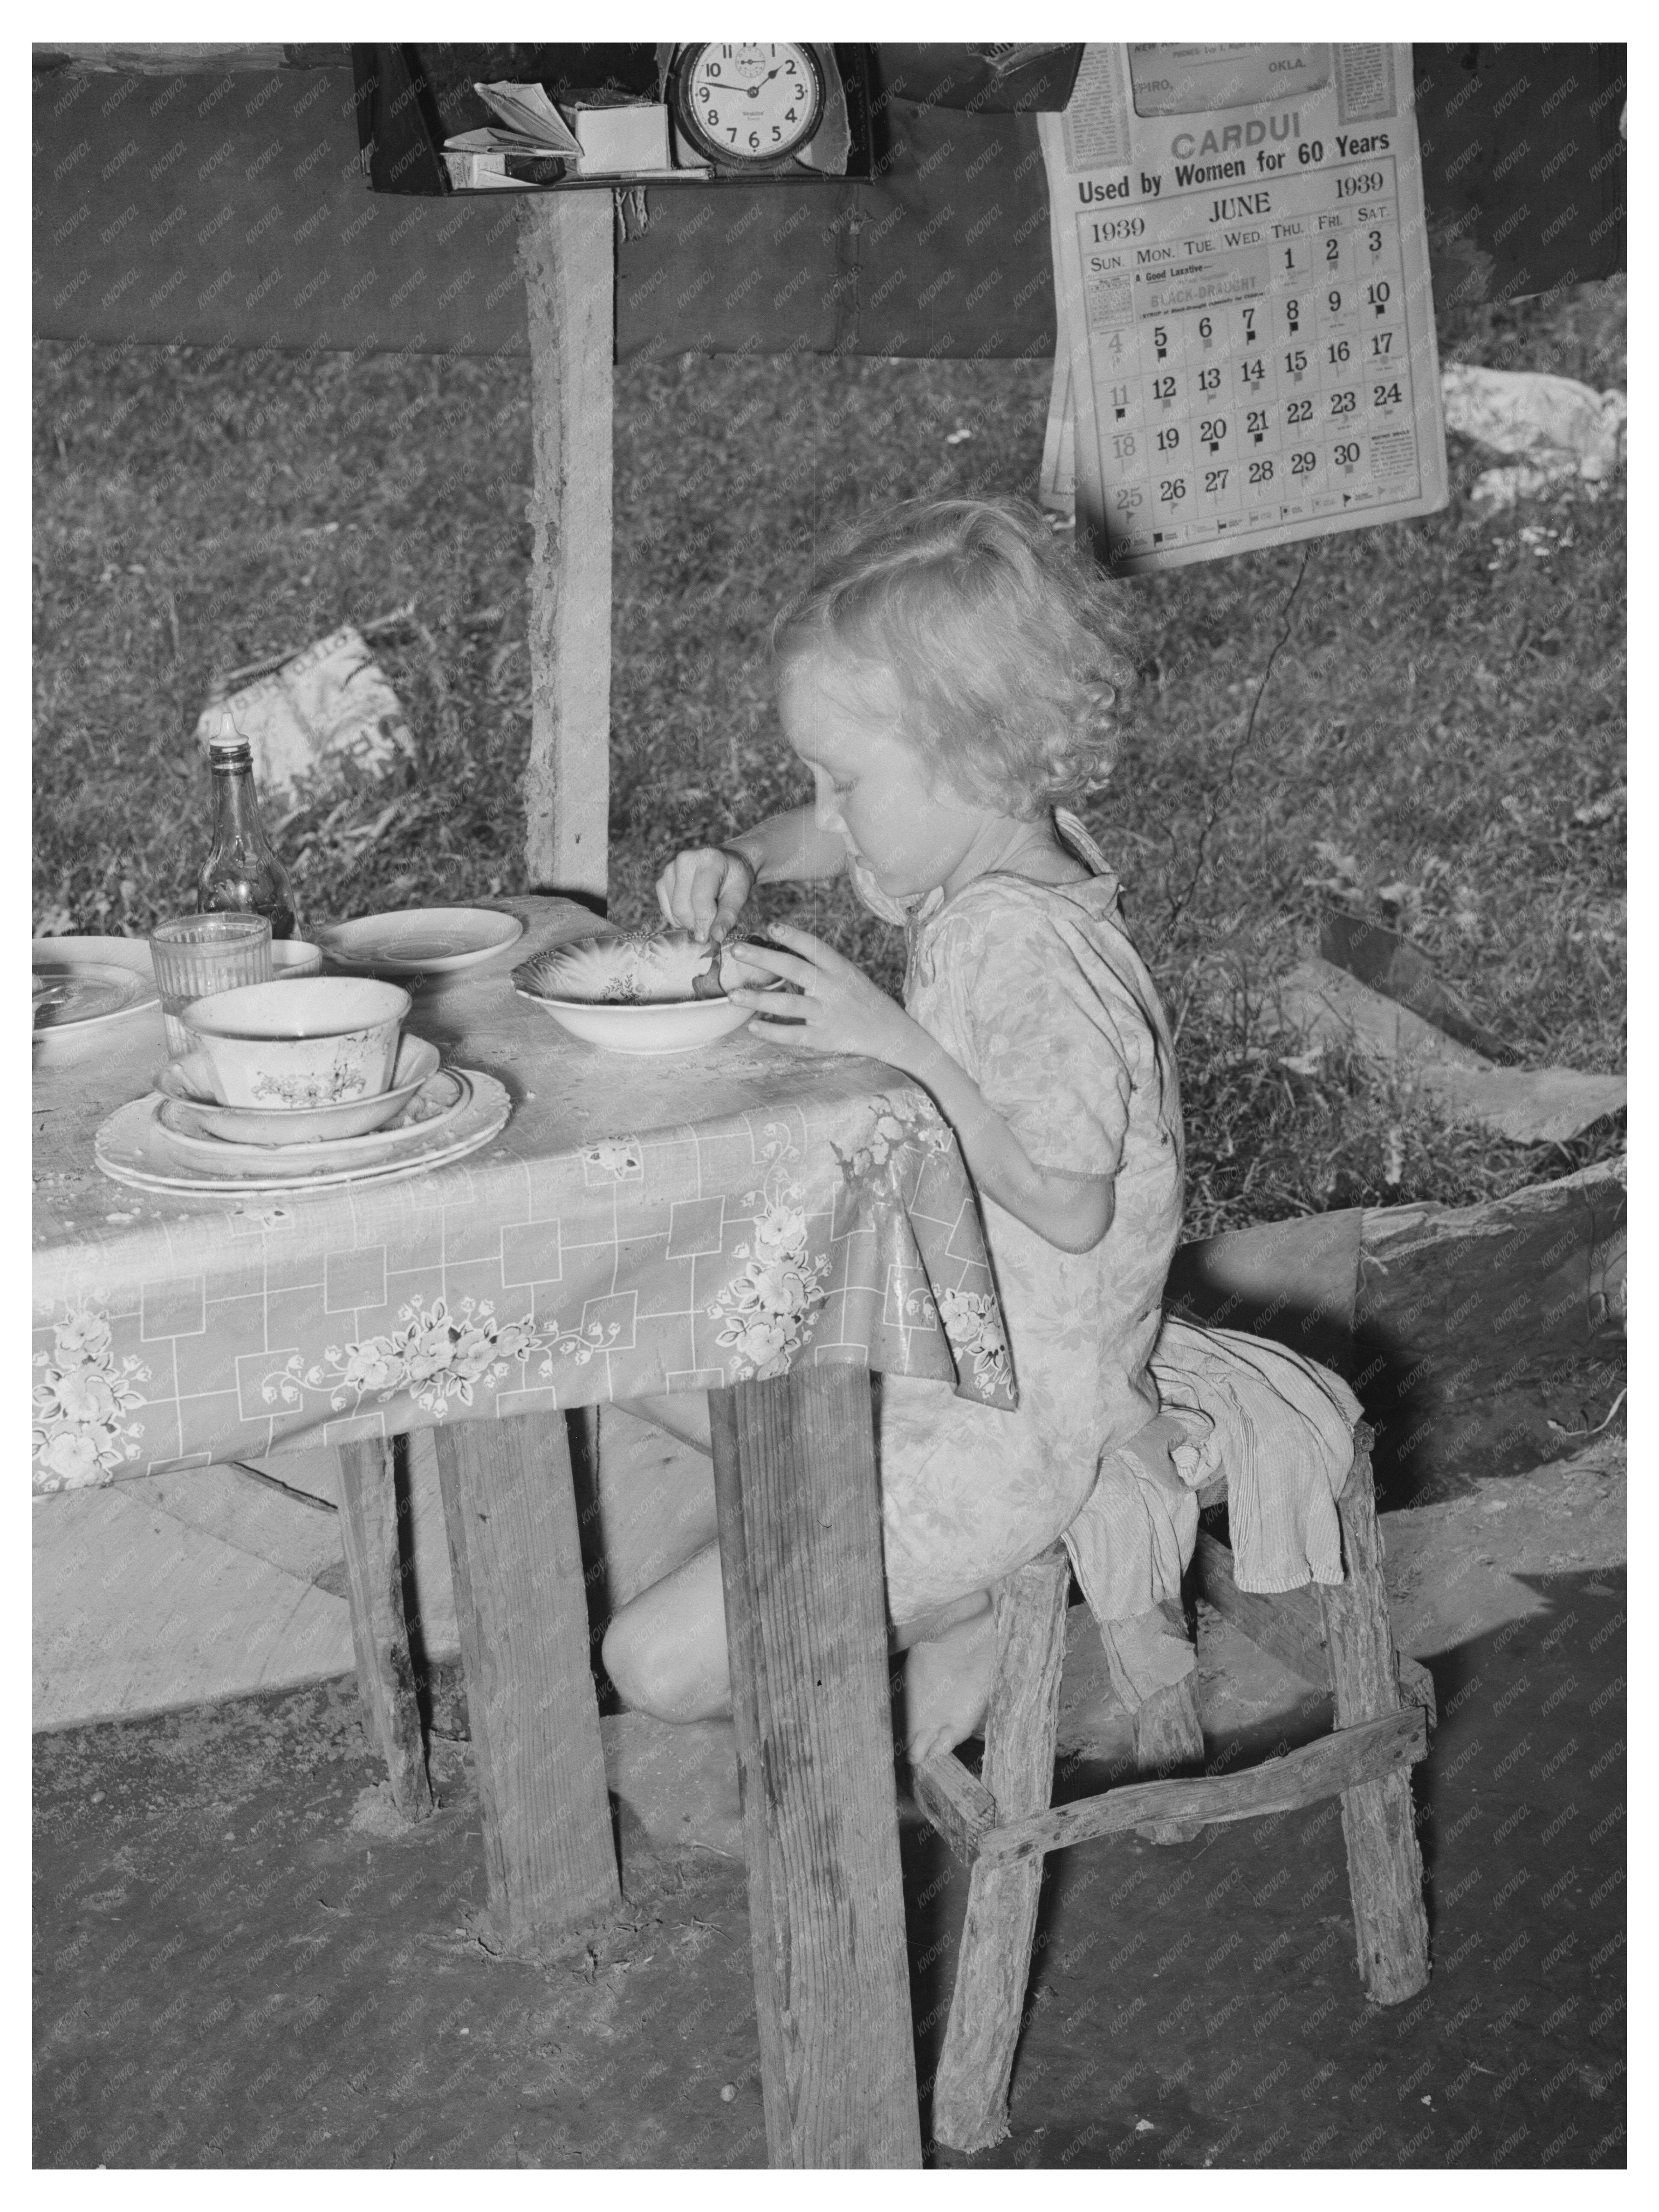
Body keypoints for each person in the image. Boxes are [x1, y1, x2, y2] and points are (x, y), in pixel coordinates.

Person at [600, 496, 1185, 1764]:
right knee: (614, 1338)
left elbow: (1070, 1201)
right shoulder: (979, 855)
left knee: (648, 1666)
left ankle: (963, 1597)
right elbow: (833, 838)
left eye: (843, 780)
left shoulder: (1028, 953)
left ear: (972, 761)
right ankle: (871, 1555)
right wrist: (747, 853)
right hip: (938, 1333)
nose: (826, 806)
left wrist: (895, 1045)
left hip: (1016, 1421)